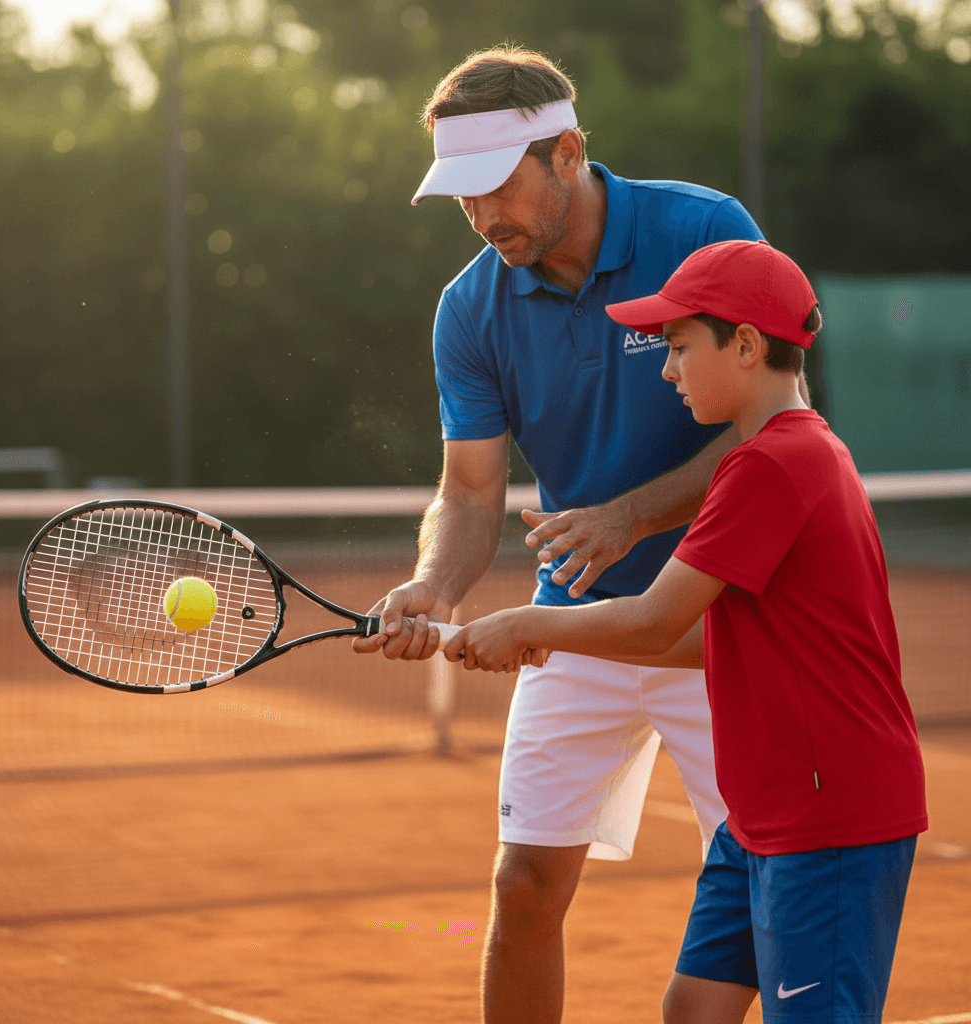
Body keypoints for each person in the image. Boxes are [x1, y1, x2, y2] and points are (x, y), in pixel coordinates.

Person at [354, 45, 773, 1024]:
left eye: (497, 185)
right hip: (580, 624)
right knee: (524, 885)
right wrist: (433, 586)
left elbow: (774, 424)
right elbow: (470, 492)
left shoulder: (703, 232)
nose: (480, 213)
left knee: (767, 886)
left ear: (568, 153)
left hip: (727, 624)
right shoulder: (470, 308)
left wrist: (632, 513)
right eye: (461, 195)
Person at [444, 238, 928, 1024]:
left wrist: (526, 621)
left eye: (677, 347)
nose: (666, 370)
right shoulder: (793, 452)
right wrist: (554, 639)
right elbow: (714, 638)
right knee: (694, 1008)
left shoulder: (770, 466)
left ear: (746, 345)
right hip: (763, 809)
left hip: (827, 814)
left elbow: (655, 620)